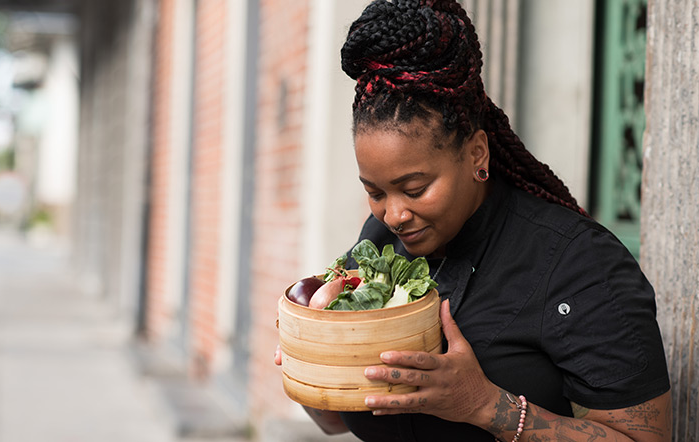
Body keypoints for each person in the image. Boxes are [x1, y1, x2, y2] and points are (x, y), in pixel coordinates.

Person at [275, 0, 672, 440]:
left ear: (476, 153)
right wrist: (313, 364)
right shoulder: (380, 248)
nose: (394, 214)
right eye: (375, 192)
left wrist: (486, 406)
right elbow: (334, 422)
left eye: (415, 188)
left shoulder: (579, 264)